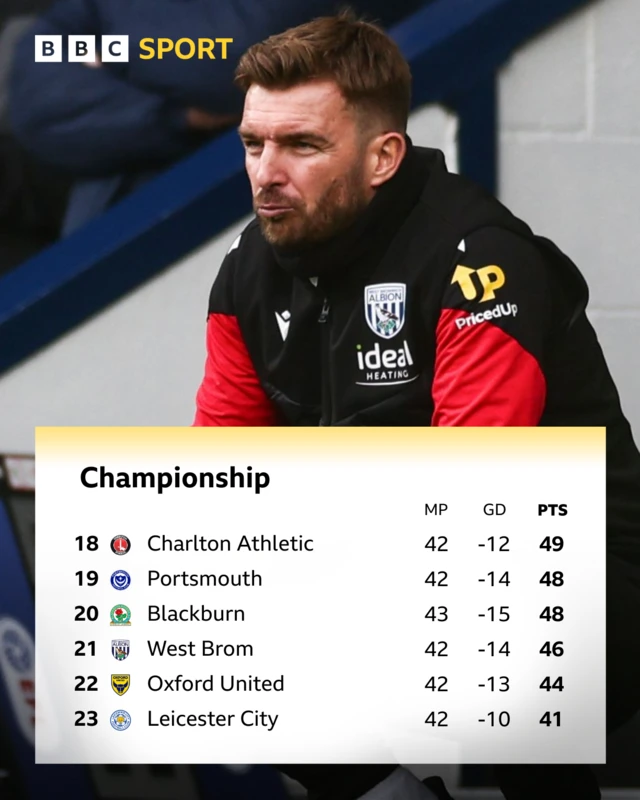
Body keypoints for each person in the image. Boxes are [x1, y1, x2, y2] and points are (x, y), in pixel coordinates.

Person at [192, 11, 640, 800]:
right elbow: (219, 482)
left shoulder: (479, 259)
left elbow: (466, 498)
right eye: (253, 144)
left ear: (383, 156)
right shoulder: (246, 274)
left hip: (585, 584)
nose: (266, 173)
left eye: (302, 145)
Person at [8, 0, 423, 236]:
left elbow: (235, 56)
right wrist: (170, 112)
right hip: (127, 229)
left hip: (270, 213)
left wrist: (115, 54)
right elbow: (36, 82)